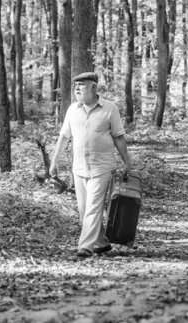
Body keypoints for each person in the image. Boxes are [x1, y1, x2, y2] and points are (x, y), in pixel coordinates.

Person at [49, 72, 132, 258]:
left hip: (102, 167)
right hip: (79, 168)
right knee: (84, 210)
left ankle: (84, 247)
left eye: (81, 85)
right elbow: (64, 137)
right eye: (75, 85)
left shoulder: (109, 108)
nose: (77, 88)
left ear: (93, 88)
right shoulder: (72, 110)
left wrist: (127, 162)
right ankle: (101, 243)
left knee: (93, 207)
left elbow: (119, 137)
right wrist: (54, 161)